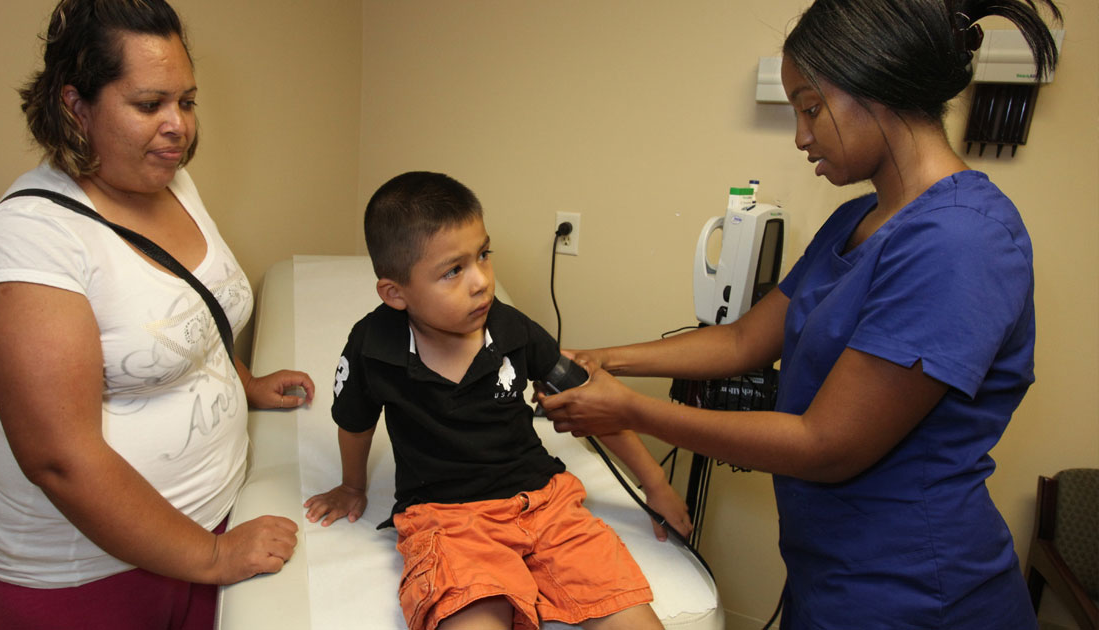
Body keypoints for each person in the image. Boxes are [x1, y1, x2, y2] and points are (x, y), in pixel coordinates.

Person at [541, 0, 1061, 628]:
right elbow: (740, 342)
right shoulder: (856, 221)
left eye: (810, 107)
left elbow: (826, 445)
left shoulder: (959, 241)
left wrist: (629, 409)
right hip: (832, 574)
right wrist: (606, 359)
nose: (800, 135)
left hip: (916, 593)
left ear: (878, 82)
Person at [0, 1, 313, 628]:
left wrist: (244, 383)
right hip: (87, 572)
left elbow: (187, 310)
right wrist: (211, 554)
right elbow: (59, 460)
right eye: (150, 105)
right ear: (76, 106)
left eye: (187, 101)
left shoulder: (168, 181)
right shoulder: (27, 238)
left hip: (211, 523)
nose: (178, 126)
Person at [302, 171, 692, 630]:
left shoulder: (513, 330)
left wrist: (657, 486)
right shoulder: (373, 348)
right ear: (395, 293)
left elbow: (594, 402)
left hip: (545, 504)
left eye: (484, 255)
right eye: (454, 271)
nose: (481, 281)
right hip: (450, 522)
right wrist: (353, 486)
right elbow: (355, 420)